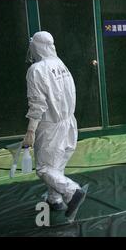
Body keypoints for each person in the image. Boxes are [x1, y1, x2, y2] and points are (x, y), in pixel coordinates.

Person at [23, 31, 87, 220]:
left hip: (50, 125)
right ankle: (54, 198)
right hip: (68, 121)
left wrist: (30, 130)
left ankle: (72, 192)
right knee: (57, 164)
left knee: (44, 168)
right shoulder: (61, 64)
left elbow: (37, 104)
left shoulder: (36, 70)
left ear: (36, 46)